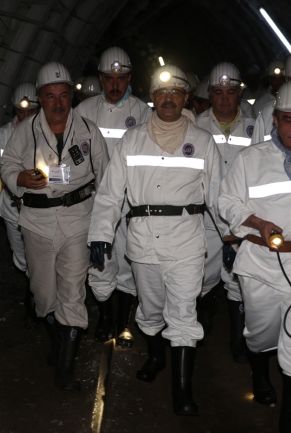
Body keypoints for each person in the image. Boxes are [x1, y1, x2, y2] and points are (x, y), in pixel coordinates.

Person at [88, 64, 223, 416]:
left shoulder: (203, 142)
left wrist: (233, 241)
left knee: (183, 314)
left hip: (187, 240)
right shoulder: (132, 141)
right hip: (144, 241)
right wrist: (101, 234)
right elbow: (110, 194)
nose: (168, 99)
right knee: (150, 312)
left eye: (176, 93)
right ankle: (156, 355)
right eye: (162, 93)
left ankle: (182, 392)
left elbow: (220, 198)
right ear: (151, 97)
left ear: (186, 98)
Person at [219, 79, 291, 431]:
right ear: (275, 120)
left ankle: (290, 422)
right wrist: (256, 221)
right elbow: (226, 201)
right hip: (259, 264)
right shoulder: (250, 160)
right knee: (260, 333)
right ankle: (260, 373)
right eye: (288, 120)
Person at [0, 61, 109, 392]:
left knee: (73, 293)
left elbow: (106, 180)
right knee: (43, 296)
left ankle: (65, 368)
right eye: (50, 96)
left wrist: (103, 229)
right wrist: (20, 178)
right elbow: (7, 164)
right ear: (40, 98)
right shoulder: (25, 131)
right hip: (37, 220)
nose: (58, 103)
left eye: (64, 95)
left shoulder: (89, 131)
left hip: (78, 217)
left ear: (71, 97)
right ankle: (59, 342)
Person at [76, 46, 152, 347]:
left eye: (121, 78)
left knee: (130, 262)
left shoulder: (143, 112)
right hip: (96, 202)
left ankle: (123, 324)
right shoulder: (83, 112)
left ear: (129, 78)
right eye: (109, 78)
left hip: (131, 204)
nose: (115, 85)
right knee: (101, 263)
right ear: (101, 78)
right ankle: (106, 318)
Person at [195, 61, 255, 362]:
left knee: (237, 281)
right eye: (218, 92)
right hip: (205, 220)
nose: (224, 98)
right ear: (210, 94)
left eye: (230, 92)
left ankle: (238, 340)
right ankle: (201, 326)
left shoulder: (256, 127)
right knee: (201, 278)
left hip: (241, 220)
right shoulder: (195, 125)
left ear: (239, 93)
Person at [0, 82, 40, 325]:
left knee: (41, 253)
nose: (25, 116)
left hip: (42, 208)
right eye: (20, 111)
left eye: (30, 111)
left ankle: (38, 295)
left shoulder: (51, 132)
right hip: (12, 207)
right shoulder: (4, 135)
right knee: (21, 256)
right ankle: (34, 286)